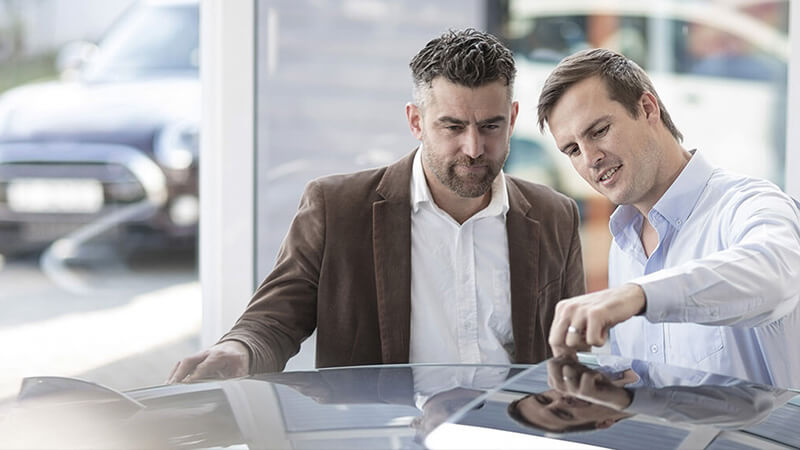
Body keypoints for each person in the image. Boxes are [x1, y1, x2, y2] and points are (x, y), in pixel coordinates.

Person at [167, 28, 585, 383]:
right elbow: (274, 318)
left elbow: (569, 354)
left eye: (490, 126)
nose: (473, 148)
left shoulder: (554, 215)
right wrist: (239, 351)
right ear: (416, 121)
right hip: (386, 435)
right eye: (452, 127)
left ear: (512, 119)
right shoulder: (337, 208)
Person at [536, 48, 800, 388]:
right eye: (572, 149)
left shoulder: (749, 204)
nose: (590, 158)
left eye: (599, 130)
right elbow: (655, 380)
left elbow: (775, 275)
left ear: (647, 109)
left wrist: (638, 295)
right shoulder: (624, 247)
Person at [508, 356, 796, 434]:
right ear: (605, 422)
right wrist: (625, 400)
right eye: (563, 412)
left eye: (546, 398)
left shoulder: (610, 349)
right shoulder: (692, 409)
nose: (562, 399)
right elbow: (754, 407)